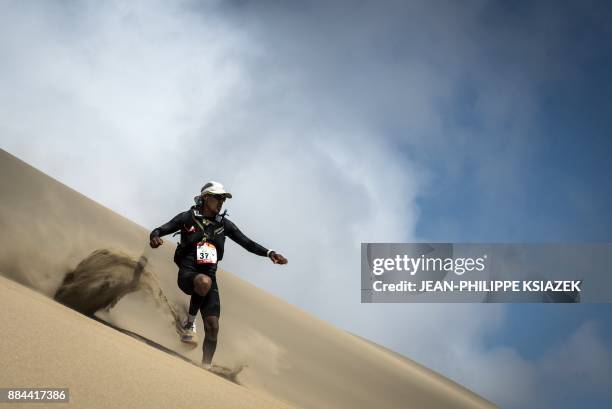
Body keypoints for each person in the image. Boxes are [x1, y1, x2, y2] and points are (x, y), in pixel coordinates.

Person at [149, 181, 287, 368]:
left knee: (213, 327)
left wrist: (270, 253)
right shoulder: (187, 217)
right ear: (206, 197)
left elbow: (248, 243)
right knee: (203, 282)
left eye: (224, 199)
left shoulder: (224, 225)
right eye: (218, 197)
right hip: (188, 274)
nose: (221, 202)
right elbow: (159, 230)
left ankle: (205, 368)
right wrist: (155, 237)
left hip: (209, 278)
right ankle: (189, 324)